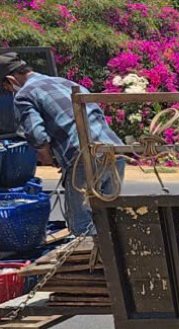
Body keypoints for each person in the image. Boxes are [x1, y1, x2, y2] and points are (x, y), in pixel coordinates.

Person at [0, 52, 125, 236]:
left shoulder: (24, 94)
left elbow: (36, 135)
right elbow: (94, 112)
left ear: (11, 80)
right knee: (108, 219)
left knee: (82, 226)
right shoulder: (66, 83)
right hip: (114, 151)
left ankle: (93, 254)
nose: (9, 92)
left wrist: (47, 157)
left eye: (6, 88)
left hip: (84, 155)